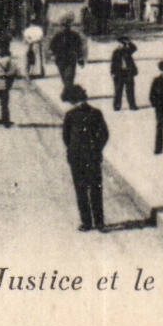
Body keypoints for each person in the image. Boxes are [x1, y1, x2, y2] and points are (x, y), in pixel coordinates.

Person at [61, 84, 109, 231]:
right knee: (95, 188)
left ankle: (87, 222)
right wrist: (97, 148)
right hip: (92, 156)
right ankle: (99, 222)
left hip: (77, 157)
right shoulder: (96, 113)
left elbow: (66, 137)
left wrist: (73, 149)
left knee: (81, 189)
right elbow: (104, 134)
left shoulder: (70, 115)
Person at [50, 20, 85, 88]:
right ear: (61, 27)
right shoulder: (58, 36)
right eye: (63, 26)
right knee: (63, 75)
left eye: (67, 26)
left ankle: (69, 89)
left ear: (69, 26)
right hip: (60, 59)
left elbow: (79, 47)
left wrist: (80, 58)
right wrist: (52, 54)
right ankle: (68, 88)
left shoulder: (75, 35)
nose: (65, 28)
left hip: (71, 58)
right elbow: (52, 46)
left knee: (70, 75)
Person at [109, 35, 139, 111]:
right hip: (119, 73)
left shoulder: (128, 51)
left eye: (123, 44)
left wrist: (129, 42)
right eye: (120, 44)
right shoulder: (116, 52)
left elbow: (134, 48)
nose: (121, 45)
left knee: (130, 90)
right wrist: (112, 72)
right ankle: (117, 106)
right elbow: (113, 63)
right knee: (118, 90)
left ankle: (132, 105)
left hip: (128, 72)